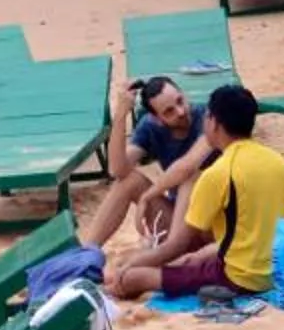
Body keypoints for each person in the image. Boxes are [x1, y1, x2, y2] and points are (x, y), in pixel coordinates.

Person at [109, 85, 284, 300]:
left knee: (134, 278)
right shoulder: (277, 160)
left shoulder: (217, 173)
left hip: (243, 277)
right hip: (283, 267)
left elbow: (176, 246)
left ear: (214, 123)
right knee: (193, 259)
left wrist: (130, 266)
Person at [79, 75, 211, 249]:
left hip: (214, 223)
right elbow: (117, 170)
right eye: (169, 111)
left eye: (180, 101)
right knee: (128, 181)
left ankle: (170, 250)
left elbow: (187, 166)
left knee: (191, 180)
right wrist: (120, 116)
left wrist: (148, 196)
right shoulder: (150, 128)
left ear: (183, 93)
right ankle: (85, 255)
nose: (180, 111)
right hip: (179, 220)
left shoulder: (209, 118)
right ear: (156, 119)